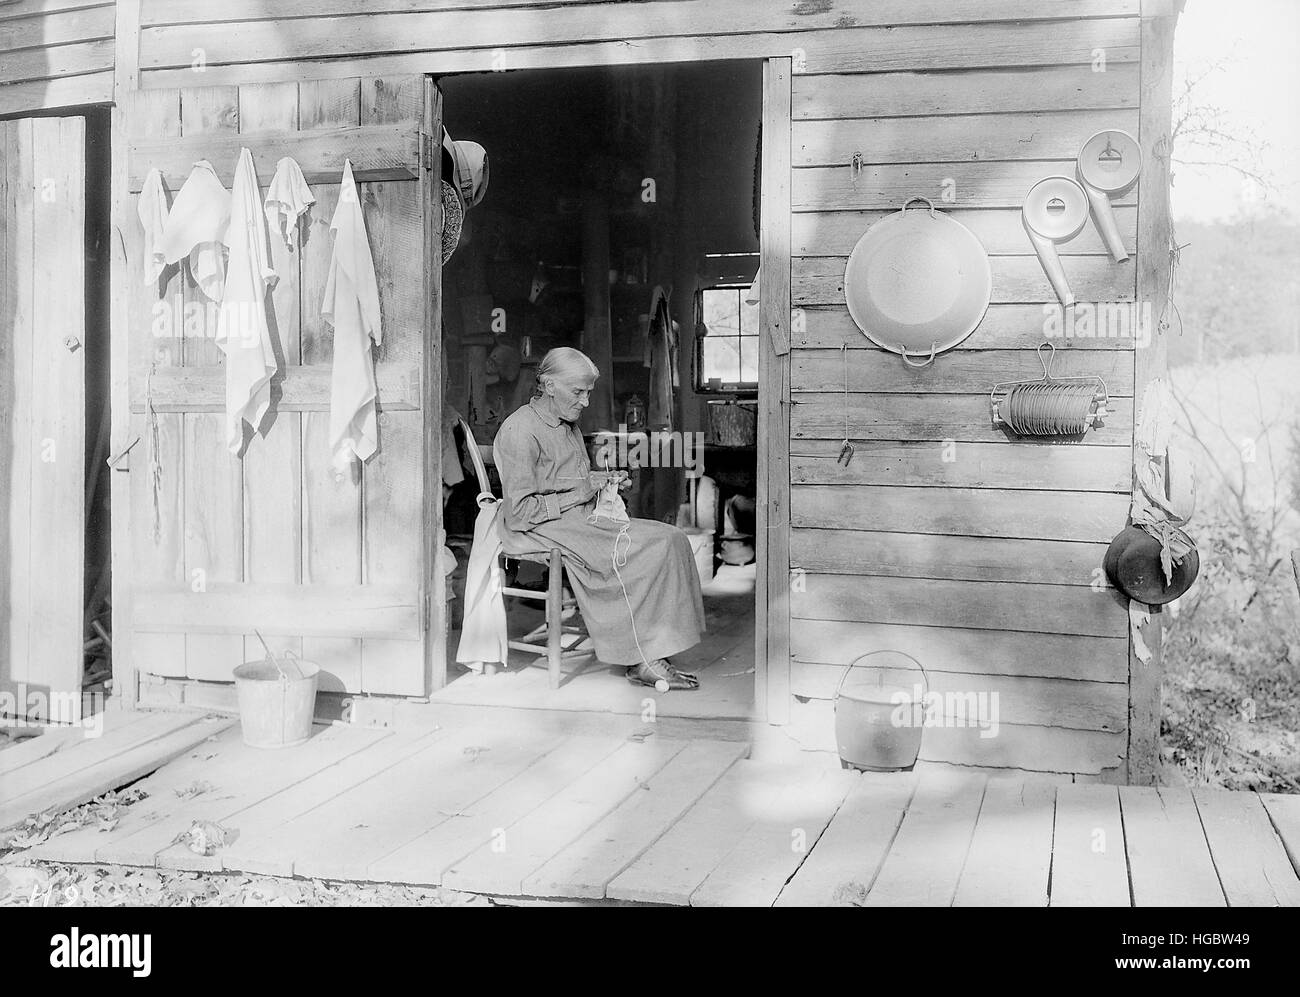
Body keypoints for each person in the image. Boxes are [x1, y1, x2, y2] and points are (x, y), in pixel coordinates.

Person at [492, 347, 706, 690]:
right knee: (654, 547)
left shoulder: (567, 425)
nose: (586, 402)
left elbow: (569, 482)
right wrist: (583, 492)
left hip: (572, 519)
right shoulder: (521, 430)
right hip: (537, 529)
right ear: (548, 385)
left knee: (673, 538)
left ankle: (650, 650)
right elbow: (520, 513)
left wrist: (605, 482)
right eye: (578, 392)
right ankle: (643, 657)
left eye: (588, 392)